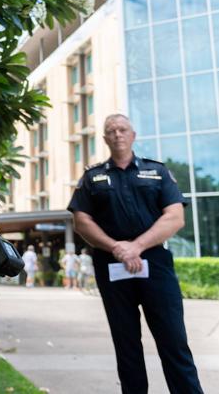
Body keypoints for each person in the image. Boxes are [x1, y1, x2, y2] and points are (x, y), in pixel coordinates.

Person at [68, 114, 203, 394]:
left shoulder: (158, 172)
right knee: (126, 344)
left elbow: (175, 217)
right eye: (111, 131)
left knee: (173, 341)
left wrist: (136, 246)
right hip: (111, 264)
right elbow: (81, 221)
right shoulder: (93, 177)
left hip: (155, 264)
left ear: (133, 135)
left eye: (122, 129)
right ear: (105, 139)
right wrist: (117, 247)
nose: (117, 134)